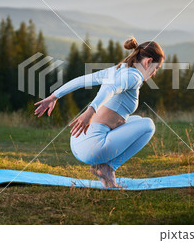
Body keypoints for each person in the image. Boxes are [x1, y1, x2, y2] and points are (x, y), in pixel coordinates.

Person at [34, 38, 165, 188]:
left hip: (79, 142)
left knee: (136, 120)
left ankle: (101, 166)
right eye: (156, 68)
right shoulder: (134, 76)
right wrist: (91, 111)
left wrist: (54, 96)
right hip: (93, 147)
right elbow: (110, 89)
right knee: (148, 125)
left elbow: (82, 80)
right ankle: (107, 168)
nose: (154, 73)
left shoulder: (119, 69)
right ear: (148, 62)